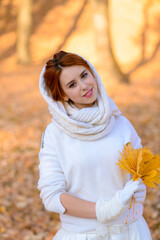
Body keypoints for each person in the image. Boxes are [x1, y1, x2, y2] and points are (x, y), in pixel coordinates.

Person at [37, 50, 152, 240]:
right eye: (72, 85)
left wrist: (139, 189)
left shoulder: (121, 124)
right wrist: (103, 210)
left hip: (130, 232)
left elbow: (140, 170)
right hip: (84, 235)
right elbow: (52, 196)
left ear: (92, 73)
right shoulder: (54, 135)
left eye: (84, 75)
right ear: (63, 95)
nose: (84, 86)